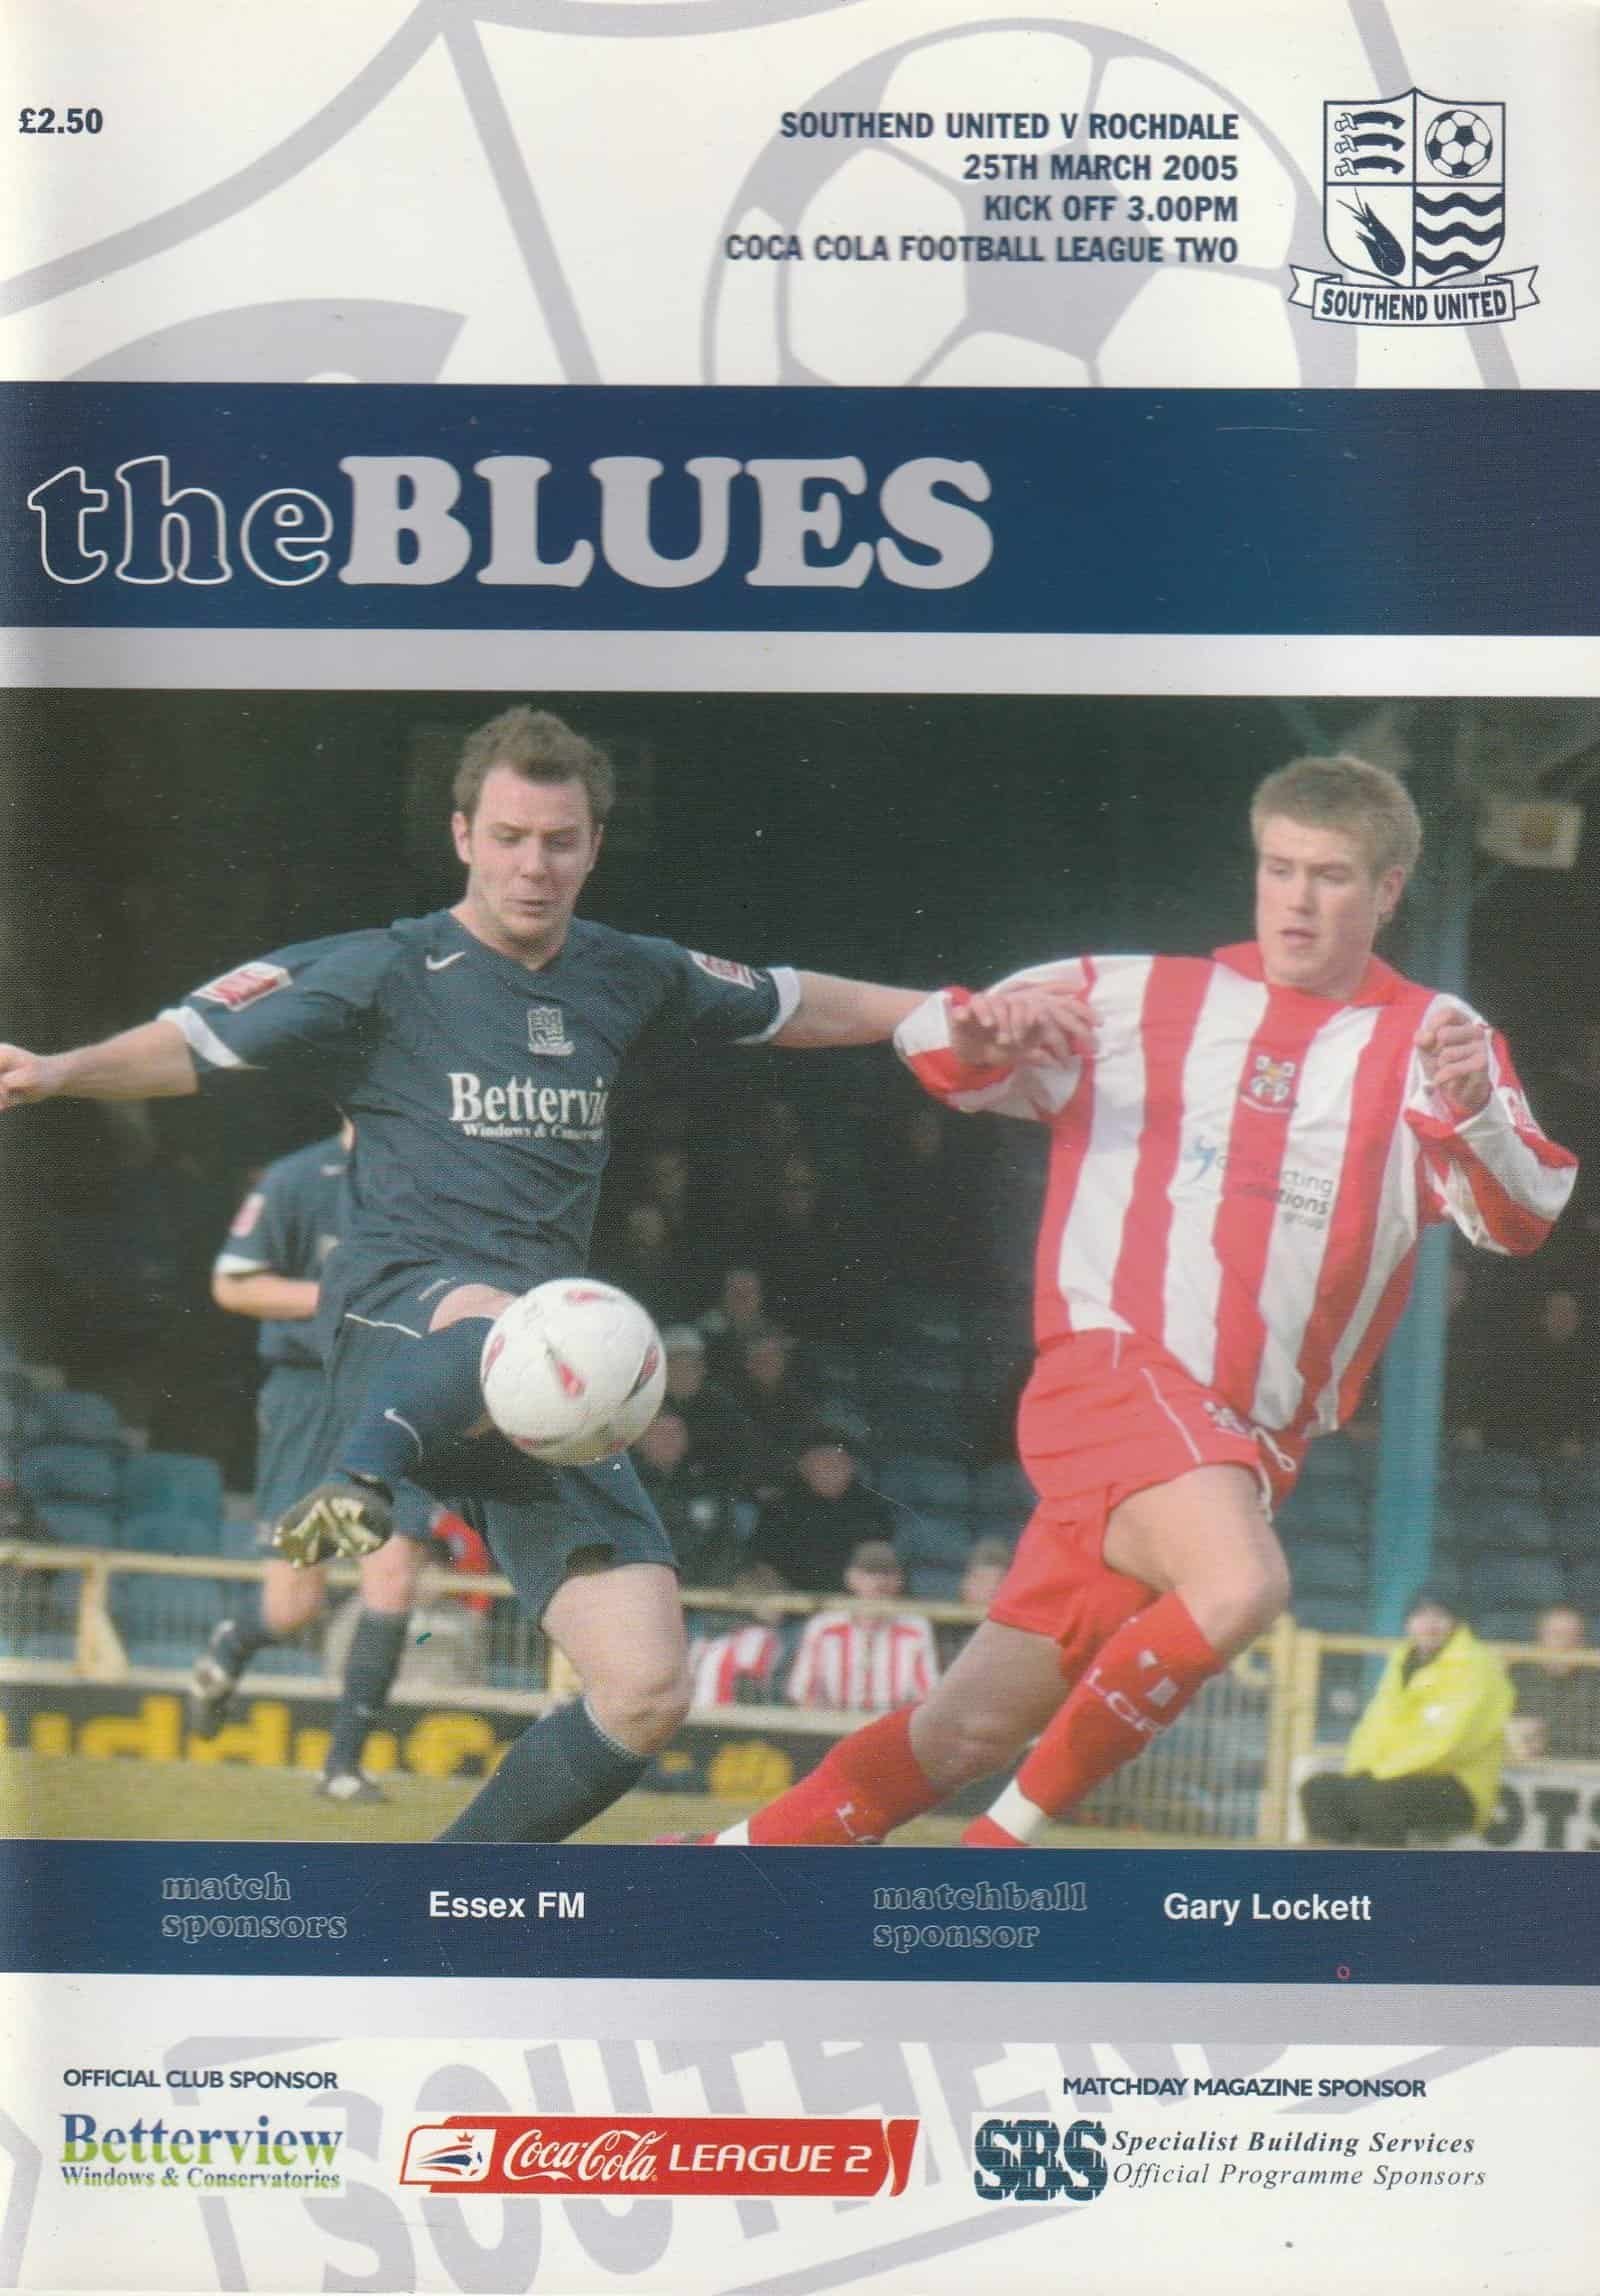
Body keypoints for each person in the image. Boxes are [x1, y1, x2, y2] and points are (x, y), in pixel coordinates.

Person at [0, 705, 978, 1845]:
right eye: (510, 836)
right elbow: (200, 1037)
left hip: (532, 1380)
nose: (534, 864)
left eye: (559, 841)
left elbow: (790, 1001)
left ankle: (449, 1890)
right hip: (397, 1325)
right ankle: (359, 1479)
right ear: (463, 834)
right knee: (518, 1317)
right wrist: (57, 1070)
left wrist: (939, 1015)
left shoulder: (627, 973)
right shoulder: (385, 967)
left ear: (594, 846)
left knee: (646, 1688)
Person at [687, 753, 1575, 1849]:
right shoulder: (1140, 996)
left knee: (965, 1729)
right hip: (1114, 1374)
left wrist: (1473, 1108)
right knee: (1241, 1585)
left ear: (1388, 890)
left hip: (1242, 1445)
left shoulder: (1437, 1041)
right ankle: (993, 1855)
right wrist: (976, 1039)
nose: (1297, 899)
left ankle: (719, 1866)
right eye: (1279, 868)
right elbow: (954, 1047)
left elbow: (1519, 1217)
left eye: (1331, 875)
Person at [188, 1123, 436, 1802]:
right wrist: (342, 1301)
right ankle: (235, 1643)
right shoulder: (297, 1179)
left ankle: (342, 1767)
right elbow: (234, 1286)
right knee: (294, 1605)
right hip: (308, 1395)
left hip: (395, 1394)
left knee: (395, 1572)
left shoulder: (435, 1175)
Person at [1299, 1591, 1513, 1844]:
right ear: (1408, 1622)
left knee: (1377, 1797)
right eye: (1420, 1616)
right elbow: (1373, 1728)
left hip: (1458, 1784)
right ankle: (1339, 1865)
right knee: (1317, 1789)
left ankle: (1387, 1869)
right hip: (1396, 1774)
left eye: (1439, 1616)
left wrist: (1382, 1773)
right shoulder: (1401, 1661)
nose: (1429, 1625)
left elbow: (1451, 1743)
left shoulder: (1476, 1666)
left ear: (1456, 1622)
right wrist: (1361, 1770)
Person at [785, 1540, 939, 1713]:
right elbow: (803, 1690)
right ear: (851, 1578)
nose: (879, 1582)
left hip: (891, 1723)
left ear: (899, 1580)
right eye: (870, 1573)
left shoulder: (916, 1628)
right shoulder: (823, 1626)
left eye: (887, 1574)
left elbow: (927, 1694)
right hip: (832, 1721)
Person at [746, 1432, 900, 1595]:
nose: (832, 1469)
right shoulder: (780, 1508)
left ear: (851, 1467)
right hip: (792, 1599)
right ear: (804, 1468)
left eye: (839, 1462)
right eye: (824, 1462)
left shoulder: (871, 1507)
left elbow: (878, 1563)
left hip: (855, 1600)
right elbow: (763, 1562)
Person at [1508, 1602, 1600, 1760]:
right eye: (1556, 1635)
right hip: (1526, 1768)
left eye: (1574, 1636)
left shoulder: (1595, 1682)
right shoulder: (1517, 1678)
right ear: (1540, 1638)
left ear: (1583, 1642)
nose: (1565, 1643)